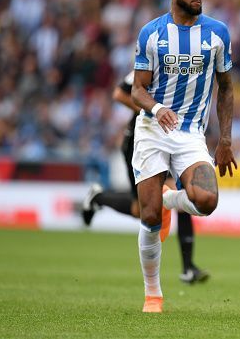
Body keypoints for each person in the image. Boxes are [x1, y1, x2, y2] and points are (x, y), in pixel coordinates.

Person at [131, 0, 236, 313]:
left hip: (191, 134)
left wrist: (224, 140)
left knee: (207, 200)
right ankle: (153, 293)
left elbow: (227, 88)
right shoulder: (151, 33)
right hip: (152, 130)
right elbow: (137, 91)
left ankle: (169, 199)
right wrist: (157, 108)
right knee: (148, 217)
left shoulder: (218, 33)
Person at [81, 70, 210, 284]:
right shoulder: (153, 62)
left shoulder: (186, 63)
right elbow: (119, 94)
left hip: (172, 139)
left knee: (171, 198)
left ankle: (188, 268)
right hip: (142, 141)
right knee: (143, 209)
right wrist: (153, 112)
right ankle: (98, 198)